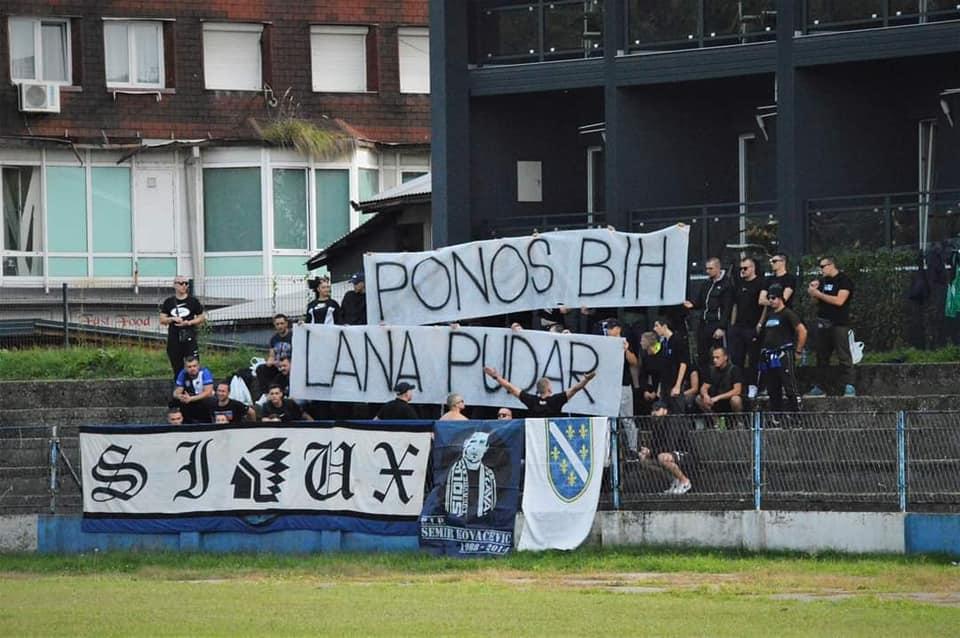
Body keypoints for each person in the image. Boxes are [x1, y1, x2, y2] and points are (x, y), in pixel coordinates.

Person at [807, 256, 856, 397]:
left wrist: (819, 294)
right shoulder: (822, 282)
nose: (821, 270)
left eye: (823, 266)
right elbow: (815, 302)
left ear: (831, 265)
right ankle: (820, 387)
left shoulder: (844, 281)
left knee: (844, 356)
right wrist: (813, 292)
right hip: (823, 323)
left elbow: (839, 301)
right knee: (822, 357)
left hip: (839, 323)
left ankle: (849, 385)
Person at [760, 283, 808, 414]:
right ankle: (777, 416)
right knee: (773, 388)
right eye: (769, 297)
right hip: (770, 355)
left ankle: (796, 416)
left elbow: (802, 330)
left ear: (781, 298)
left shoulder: (788, 313)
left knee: (789, 386)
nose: (771, 300)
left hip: (784, 354)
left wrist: (798, 350)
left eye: (774, 297)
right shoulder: (770, 314)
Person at [483, 366, 597, 418]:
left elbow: (511, 388)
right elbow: (575, 389)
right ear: (549, 389)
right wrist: (586, 379)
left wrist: (496, 377)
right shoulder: (556, 400)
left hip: (535, 441)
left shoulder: (532, 401)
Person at [683, 257, 733, 367]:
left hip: (717, 323)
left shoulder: (727, 284)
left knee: (719, 355)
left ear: (718, 268)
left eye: (710, 268)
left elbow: (727, 308)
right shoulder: (706, 284)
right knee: (702, 355)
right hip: (704, 323)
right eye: (706, 269)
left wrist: (722, 327)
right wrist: (691, 305)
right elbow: (700, 303)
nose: (707, 271)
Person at [638, 401, 693, 495]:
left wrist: (652, 452)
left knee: (662, 457)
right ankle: (675, 480)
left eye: (657, 410)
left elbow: (670, 445)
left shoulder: (672, 422)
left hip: (685, 453)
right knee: (644, 460)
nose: (654, 413)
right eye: (653, 410)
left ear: (665, 411)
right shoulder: (656, 424)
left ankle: (685, 481)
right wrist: (648, 451)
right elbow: (655, 445)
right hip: (667, 453)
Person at [729, 257, 765, 399]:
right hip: (738, 327)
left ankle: (753, 385)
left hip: (752, 327)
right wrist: (732, 325)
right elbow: (735, 305)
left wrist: (759, 324)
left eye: (745, 268)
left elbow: (764, 307)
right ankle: (740, 386)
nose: (742, 271)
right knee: (737, 358)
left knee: (753, 358)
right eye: (741, 268)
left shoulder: (761, 282)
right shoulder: (738, 284)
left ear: (753, 268)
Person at [605, 318, 640, 455]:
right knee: (608, 418)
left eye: (611, 328)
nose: (609, 330)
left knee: (627, 419)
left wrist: (626, 350)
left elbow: (634, 362)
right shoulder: (605, 343)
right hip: (609, 386)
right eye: (608, 328)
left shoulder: (625, 343)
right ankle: (609, 450)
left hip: (623, 384)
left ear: (618, 329)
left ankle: (633, 449)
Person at [159, 277, 205, 378]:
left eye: (186, 283)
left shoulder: (193, 301)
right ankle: (180, 388)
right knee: (177, 367)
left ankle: (194, 389)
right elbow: (162, 319)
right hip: (174, 339)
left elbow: (201, 317)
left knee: (193, 365)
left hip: (189, 338)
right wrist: (172, 319)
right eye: (181, 283)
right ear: (175, 285)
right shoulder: (169, 302)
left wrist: (189, 323)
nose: (184, 285)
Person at [651, 317, 690, 413]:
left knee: (676, 411)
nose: (654, 329)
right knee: (660, 411)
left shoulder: (677, 340)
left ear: (664, 326)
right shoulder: (663, 342)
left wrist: (678, 385)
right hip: (665, 384)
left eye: (657, 326)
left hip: (675, 382)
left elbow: (683, 363)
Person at [696, 346, 744, 417]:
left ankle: (738, 422)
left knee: (736, 399)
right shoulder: (711, 370)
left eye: (717, 357)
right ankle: (715, 421)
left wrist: (718, 397)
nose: (715, 360)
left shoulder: (734, 370)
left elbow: (737, 390)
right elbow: (704, 387)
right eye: (714, 358)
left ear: (725, 357)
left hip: (728, 401)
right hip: (714, 401)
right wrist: (705, 395)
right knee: (699, 398)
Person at [256, 314, 293, 390]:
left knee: (281, 375)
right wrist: (270, 362)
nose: (280, 326)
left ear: (286, 323)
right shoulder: (274, 338)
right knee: (260, 369)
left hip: (290, 365)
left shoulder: (293, 336)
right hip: (277, 364)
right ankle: (266, 393)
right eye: (277, 324)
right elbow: (272, 355)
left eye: (282, 323)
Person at [173, 356, 214, 423]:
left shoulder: (205, 372)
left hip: (203, 397)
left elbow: (208, 392)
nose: (192, 368)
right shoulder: (183, 373)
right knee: (174, 402)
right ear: (185, 368)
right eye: (189, 367)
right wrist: (180, 396)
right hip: (190, 397)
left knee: (209, 401)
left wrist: (191, 398)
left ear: (198, 366)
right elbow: (177, 392)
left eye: (194, 366)